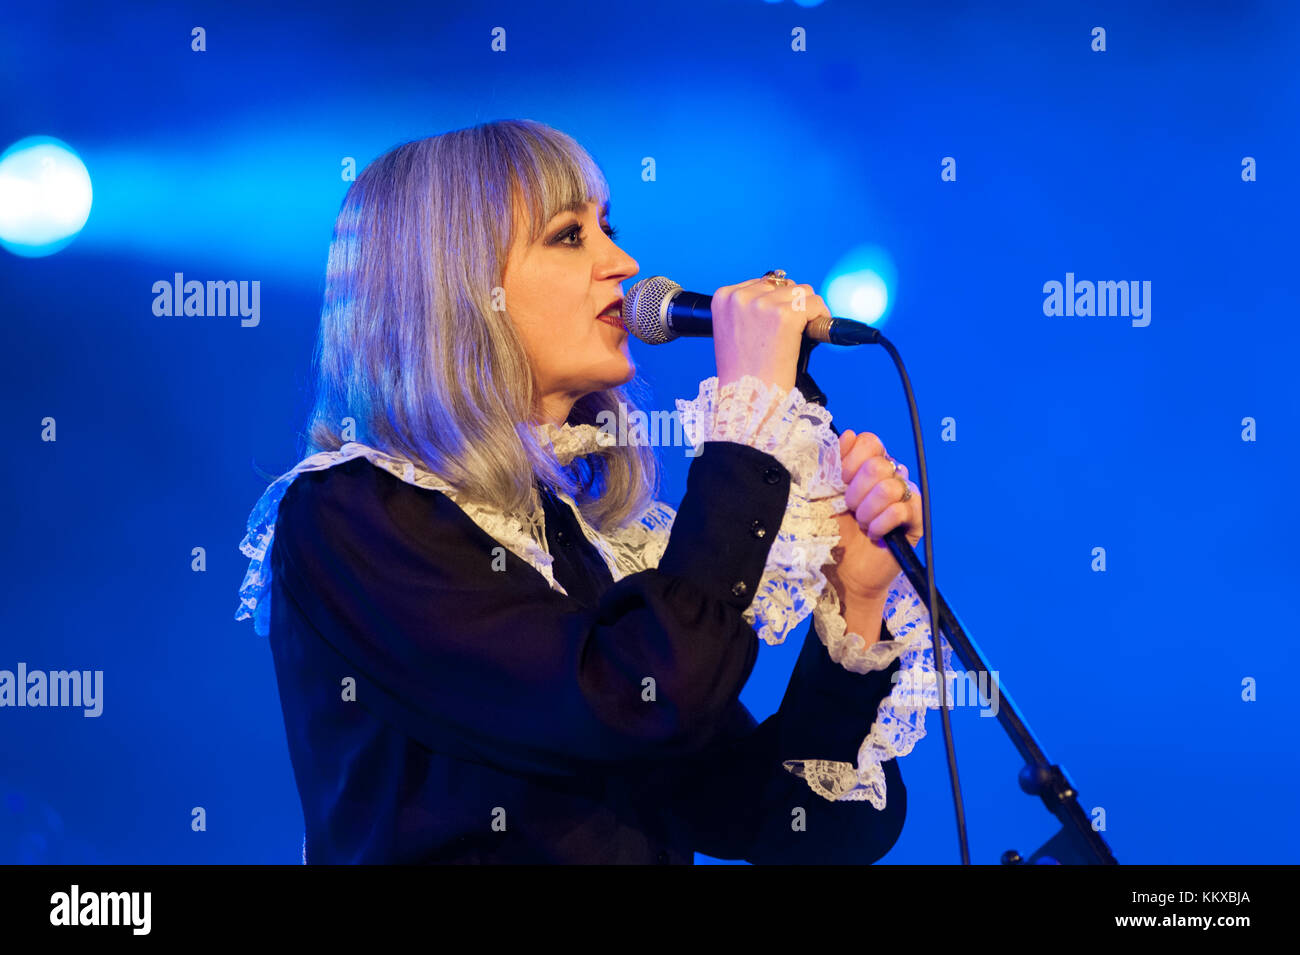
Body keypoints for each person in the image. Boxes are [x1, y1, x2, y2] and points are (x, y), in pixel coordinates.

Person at [234, 119, 947, 864]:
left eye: (607, 227)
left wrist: (857, 607)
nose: (625, 262)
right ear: (461, 286)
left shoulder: (577, 543)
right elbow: (639, 695)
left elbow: (776, 819)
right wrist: (748, 416)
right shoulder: (355, 512)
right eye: (570, 235)